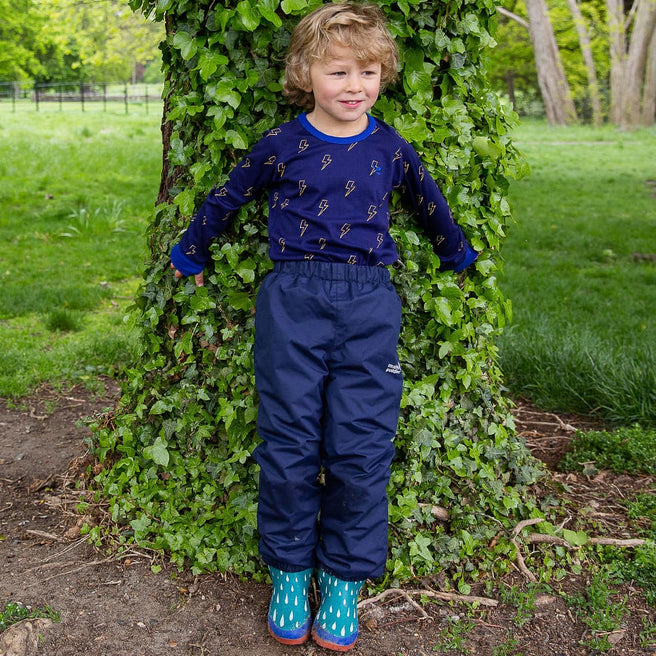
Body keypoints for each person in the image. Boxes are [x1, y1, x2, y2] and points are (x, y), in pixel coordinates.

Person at [170, 2, 478, 651]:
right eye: (338, 71)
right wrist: (193, 249)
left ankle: (342, 578)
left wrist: (456, 252)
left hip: (369, 306)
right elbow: (228, 195)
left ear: (383, 74)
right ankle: (289, 570)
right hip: (293, 303)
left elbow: (429, 201)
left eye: (367, 71)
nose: (354, 86)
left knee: (361, 450)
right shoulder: (283, 145)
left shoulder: (390, 148)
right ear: (306, 72)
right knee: (288, 445)